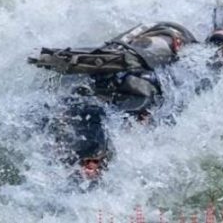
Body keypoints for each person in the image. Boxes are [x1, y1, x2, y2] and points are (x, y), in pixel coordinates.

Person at [30, 22, 198, 180]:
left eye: (90, 166)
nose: (88, 171)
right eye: (91, 166)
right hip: (124, 82)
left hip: (122, 81)